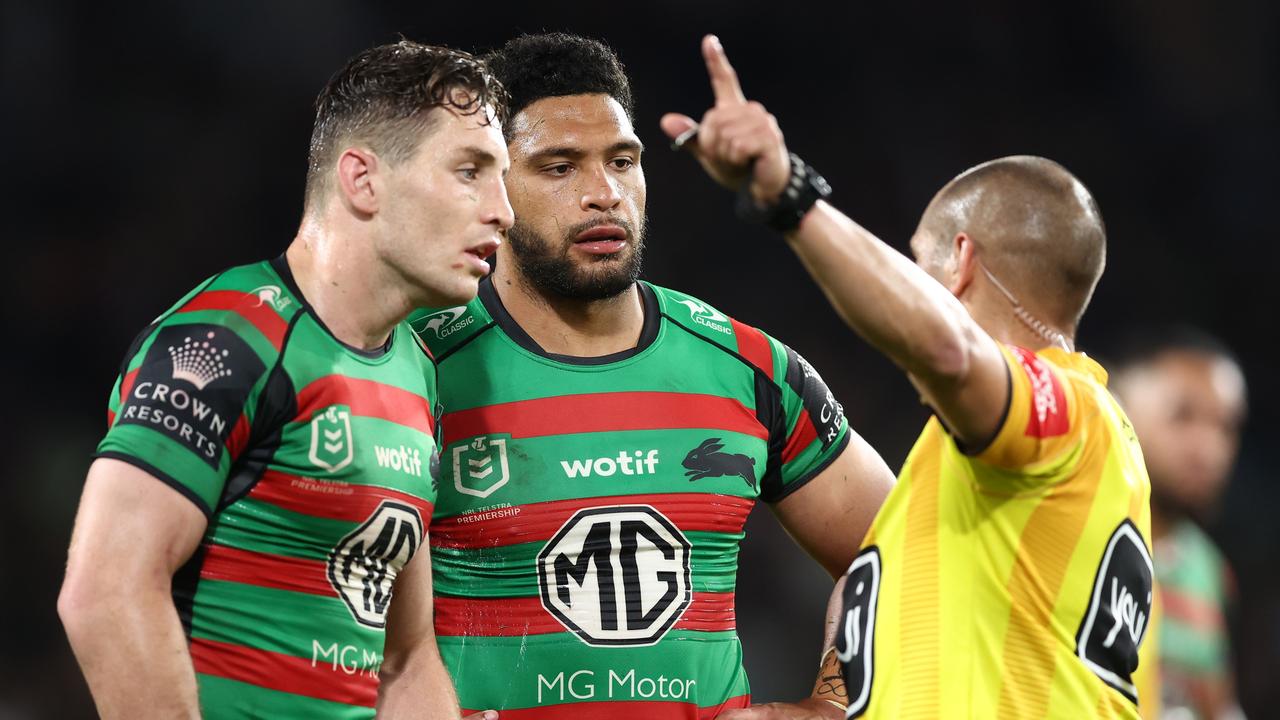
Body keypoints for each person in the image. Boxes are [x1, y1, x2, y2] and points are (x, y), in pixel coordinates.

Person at [663, 35, 1153, 719]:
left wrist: (788, 196)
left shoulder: (1071, 414)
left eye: (914, 263)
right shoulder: (959, 494)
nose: (905, 281)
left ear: (959, 262)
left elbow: (949, 352)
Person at [408, 33, 895, 718]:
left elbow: (896, 545)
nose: (603, 193)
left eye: (622, 161)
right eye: (559, 168)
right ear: (489, 185)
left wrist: (833, 706)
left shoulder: (749, 369)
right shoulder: (416, 370)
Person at [57, 41, 513, 719]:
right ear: (362, 180)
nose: (504, 210)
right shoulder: (227, 339)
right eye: (470, 171)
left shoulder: (416, 370)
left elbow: (406, 659)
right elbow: (105, 592)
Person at [1111, 328, 1248, 720]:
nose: (1209, 448)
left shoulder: (1208, 569)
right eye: (1182, 416)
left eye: (1226, 426)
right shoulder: (1080, 534)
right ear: (1122, 406)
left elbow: (1215, 704)